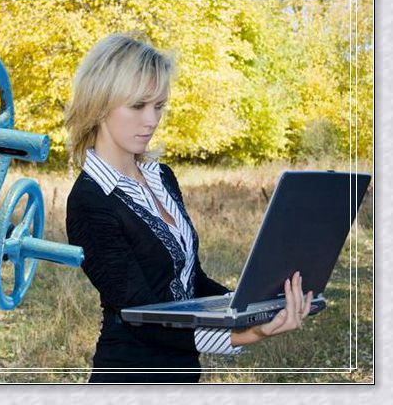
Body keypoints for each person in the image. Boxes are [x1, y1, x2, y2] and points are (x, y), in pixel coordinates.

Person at [64, 33, 313, 383]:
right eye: (138, 106)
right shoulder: (89, 202)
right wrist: (247, 333)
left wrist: (254, 304)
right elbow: (143, 317)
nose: (152, 120)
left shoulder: (161, 176)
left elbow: (190, 284)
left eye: (159, 106)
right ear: (100, 102)